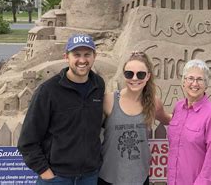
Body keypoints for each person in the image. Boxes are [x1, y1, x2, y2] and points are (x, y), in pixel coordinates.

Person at [18, 34, 105, 185]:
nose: (82, 60)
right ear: (66, 57)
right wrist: (45, 172)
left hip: (89, 176)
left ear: (94, 56)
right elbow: (27, 140)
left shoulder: (98, 85)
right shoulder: (48, 91)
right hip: (57, 177)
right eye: (76, 54)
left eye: (87, 54)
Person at [98, 51, 171, 185]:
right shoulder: (109, 100)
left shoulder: (154, 103)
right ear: (124, 74)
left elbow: (169, 119)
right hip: (109, 178)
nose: (135, 78)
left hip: (140, 178)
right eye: (129, 73)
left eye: (141, 74)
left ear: (148, 76)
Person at [167, 59, 211, 185]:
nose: (194, 83)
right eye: (190, 78)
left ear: (206, 84)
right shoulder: (178, 107)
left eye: (199, 79)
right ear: (183, 82)